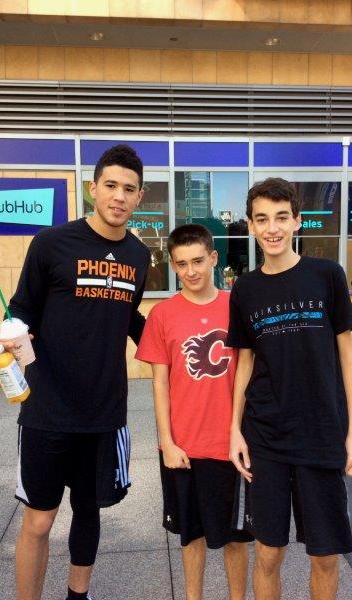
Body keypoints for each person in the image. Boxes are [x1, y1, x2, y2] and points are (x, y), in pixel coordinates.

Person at [0, 144, 150, 600]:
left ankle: (79, 595)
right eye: (111, 186)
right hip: (47, 408)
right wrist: (6, 340)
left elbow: (133, 320)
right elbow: (20, 309)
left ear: (140, 197)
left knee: (89, 510)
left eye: (129, 189)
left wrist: (176, 344)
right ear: (93, 188)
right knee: (39, 519)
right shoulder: (52, 244)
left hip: (104, 409)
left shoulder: (139, 257)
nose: (119, 196)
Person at [228, 178, 352, 600]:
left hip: (321, 433)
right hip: (265, 436)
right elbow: (244, 362)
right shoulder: (245, 289)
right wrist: (234, 429)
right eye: (263, 219)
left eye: (281, 217)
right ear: (250, 225)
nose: (273, 228)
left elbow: (348, 355)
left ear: (297, 221)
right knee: (269, 552)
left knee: (325, 555)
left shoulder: (327, 275)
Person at [135, 224, 253, 600]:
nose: (191, 271)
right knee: (192, 536)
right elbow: (159, 383)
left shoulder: (238, 307)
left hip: (231, 446)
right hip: (183, 448)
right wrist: (166, 442)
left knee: (236, 537)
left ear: (214, 258)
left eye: (199, 261)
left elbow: (250, 375)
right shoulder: (162, 314)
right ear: (172, 265)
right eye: (182, 263)